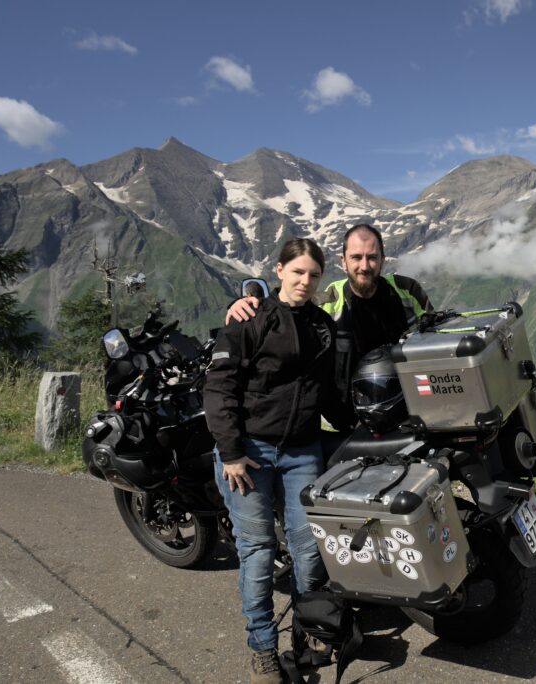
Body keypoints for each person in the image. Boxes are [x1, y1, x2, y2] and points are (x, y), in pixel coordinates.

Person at [205, 237, 354, 684]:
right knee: (257, 552)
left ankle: (308, 633)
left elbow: (327, 394)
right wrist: (231, 453)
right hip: (247, 453)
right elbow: (219, 390)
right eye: (297, 272)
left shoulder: (322, 327)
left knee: (309, 549)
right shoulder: (248, 320)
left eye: (313, 274)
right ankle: (263, 650)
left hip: (302, 451)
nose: (305, 281)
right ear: (279, 271)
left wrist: (360, 428)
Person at [227, 223, 432, 402]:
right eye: (356, 257)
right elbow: (285, 306)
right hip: (344, 421)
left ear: (382, 259)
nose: (364, 266)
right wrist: (244, 305)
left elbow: (439, 332)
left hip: (407, 405)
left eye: (371, 257)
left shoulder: (407, 290)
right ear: (343, 261)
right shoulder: (326, 300)